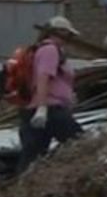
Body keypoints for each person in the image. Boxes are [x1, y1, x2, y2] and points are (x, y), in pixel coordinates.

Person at [18, 16, 83, 172]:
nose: (69, 39)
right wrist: (42, 108)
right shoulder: (50, 50)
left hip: (41, 110)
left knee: (33, 156)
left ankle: (21, 188)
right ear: (59, 32)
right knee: (81, 143)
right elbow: (43, 77)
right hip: (50, 110)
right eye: (68, 34)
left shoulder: (45, 49)